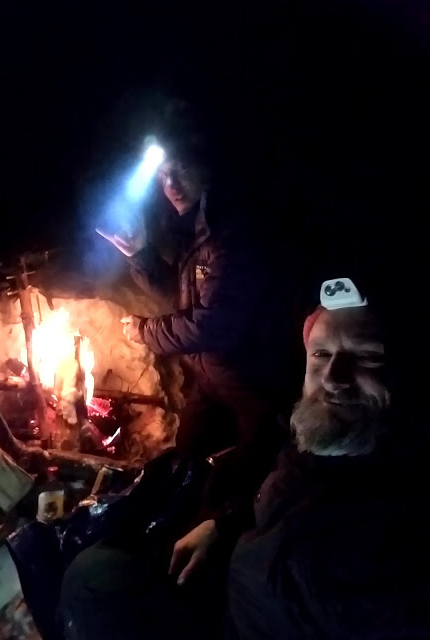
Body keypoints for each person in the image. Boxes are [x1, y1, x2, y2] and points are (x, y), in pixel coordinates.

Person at [59, 133, 298, 640]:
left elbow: (212, 324)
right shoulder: (200, 234)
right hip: (214, 380)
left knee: (244, 474)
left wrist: (142, 332)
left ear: (210, 167)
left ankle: (221, 573)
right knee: (186, 458)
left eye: (180, 170)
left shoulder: (238, 234)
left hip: (252, 382)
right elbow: (183, 300)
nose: (169, 184)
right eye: (162, 175)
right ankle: (174, 545)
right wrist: (142, 255)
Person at [223, 278, 430, 639]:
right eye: (320, 354)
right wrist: (224, 524)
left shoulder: (403, 523)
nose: (334, 378)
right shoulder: (320, 437)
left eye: (367, 356)